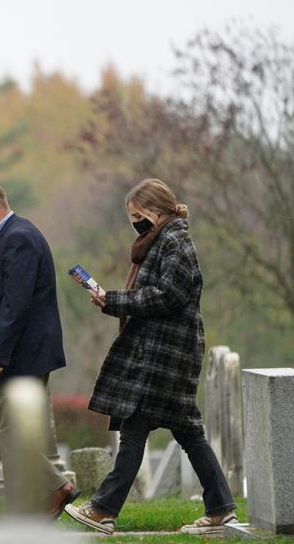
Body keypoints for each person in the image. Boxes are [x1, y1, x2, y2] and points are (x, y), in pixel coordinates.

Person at [64, 178, 238, 535]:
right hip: (164, 352)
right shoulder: (163, 241)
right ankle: (220, 508)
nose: (135, 223)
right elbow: (157, 295)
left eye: (138, 215)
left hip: (165, 355)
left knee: (134, 428)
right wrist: (111, 300)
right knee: (189, 432)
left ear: (156, 211)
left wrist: (115, 300)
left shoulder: (175, 242)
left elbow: (167, 296)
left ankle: (102, 509)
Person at [0, 178, 79, 519]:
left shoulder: (20, 239)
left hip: (21, 357)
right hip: (6, 357)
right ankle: (55, 485)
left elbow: (16, 304)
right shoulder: (5, 239)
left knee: (12, 434)